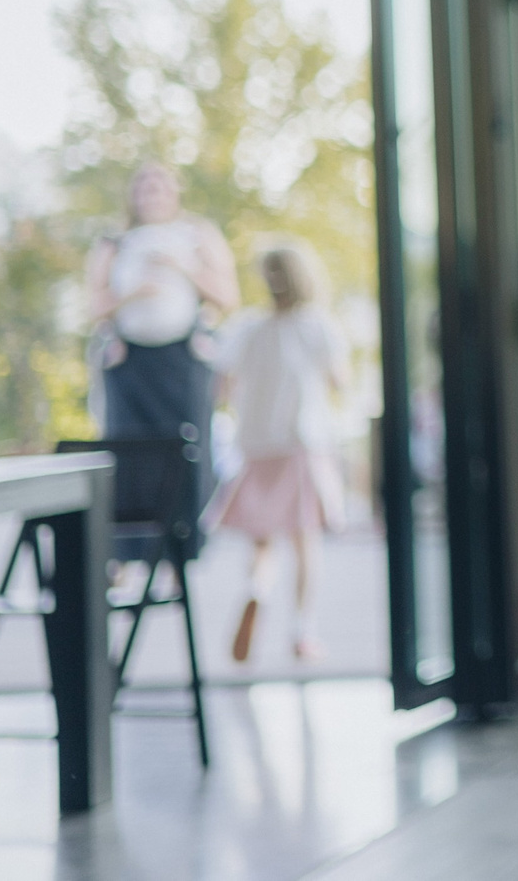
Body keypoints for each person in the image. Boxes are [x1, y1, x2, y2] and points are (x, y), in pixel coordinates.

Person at [207, 237, 350, 664]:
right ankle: (303, 631)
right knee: (305, 542)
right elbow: (340, 381)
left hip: (257, 446)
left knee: (262, 542)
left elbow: (221, 385)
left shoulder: (247, 327)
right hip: (301, 444)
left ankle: (256, 590)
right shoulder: (317, 326)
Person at [85, 162, 238, 560]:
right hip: (130, 364)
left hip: (183, 360)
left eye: (160, 187)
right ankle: (130, 553)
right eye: (144, 187)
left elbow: (228, 297)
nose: (152, 195)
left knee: (187, 452)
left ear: (175, 193)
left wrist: (183, 268)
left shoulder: (198, 235)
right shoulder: (114, 241)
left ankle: (181, 552)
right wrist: (131, 295)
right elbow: (92, 307)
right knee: (130, 454)